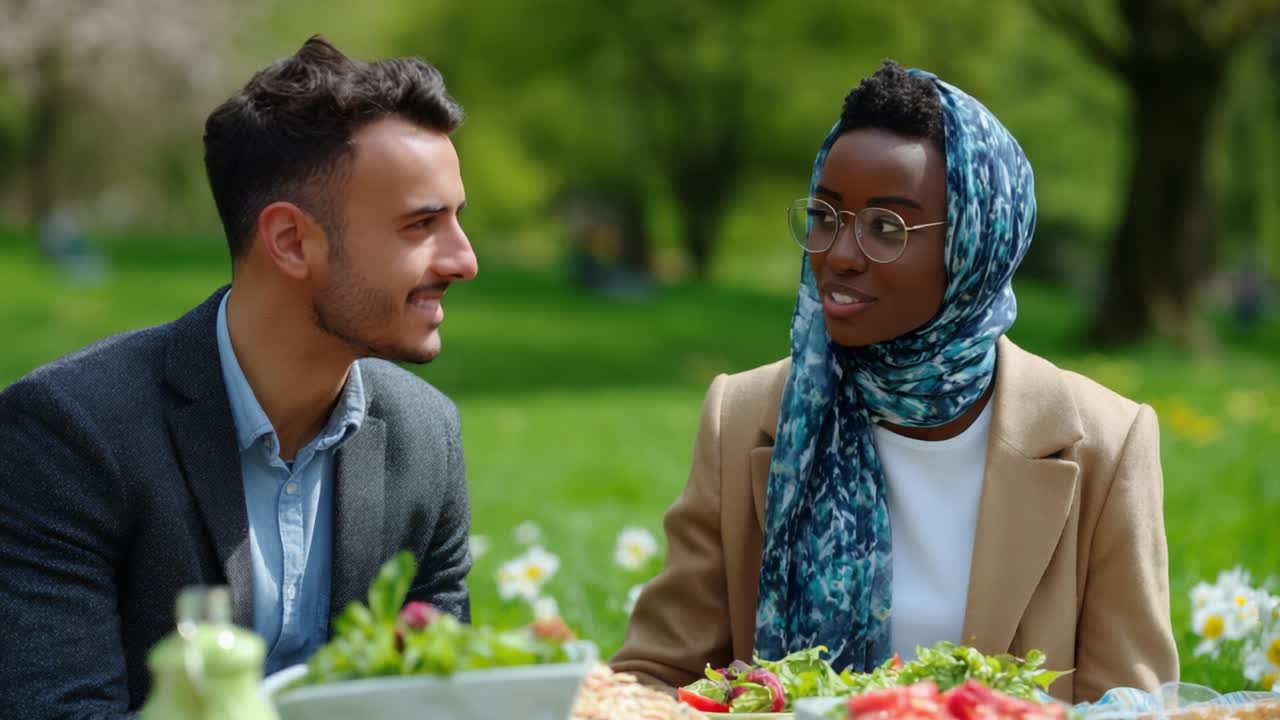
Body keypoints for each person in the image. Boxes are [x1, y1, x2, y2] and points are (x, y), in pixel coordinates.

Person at [610, 60, 1178, 703]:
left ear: (973, 245)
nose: (840, 253)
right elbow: (651, 679)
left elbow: (1130, 708)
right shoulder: (744, 417)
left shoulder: (1105, 441)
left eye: (887, 227)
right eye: (825, 215)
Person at [0, 36, 478, 717]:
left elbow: (447, 699)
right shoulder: (69, 435)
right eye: (422, 224)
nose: (464, 260)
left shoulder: (426, 437)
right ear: (289, 241)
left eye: (456, 219)